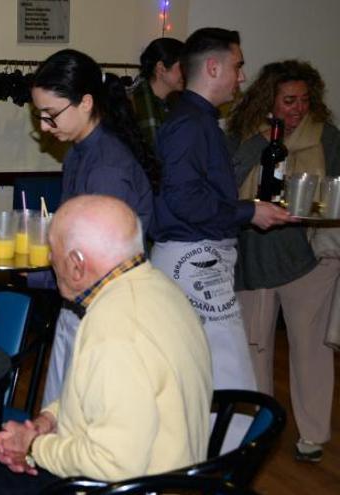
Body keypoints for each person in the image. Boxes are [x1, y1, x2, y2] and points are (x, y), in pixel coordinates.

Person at [0, 195, 212, 493]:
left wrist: (35, 447)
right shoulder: (159, 288)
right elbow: (101, 394)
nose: (49, 260)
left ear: (76, 264)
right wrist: (46, 422)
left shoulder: (115, 332)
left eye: (53, 251)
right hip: (167, 469)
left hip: (130, 485)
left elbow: (113, 464)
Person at [149, 28, 294, 450]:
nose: (242, 77)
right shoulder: (190, 125)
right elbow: (184, 200)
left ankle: (200, 460)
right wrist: (250, 210)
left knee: (209, 372)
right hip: (194, 261)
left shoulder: (196, 121)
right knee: (225, 374)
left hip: (197, 257)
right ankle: (220, 469)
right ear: (213, 67)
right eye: (237, 65)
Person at [27, 48, 158, 406]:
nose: (43, 126)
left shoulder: (106, 168)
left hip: (104, 310)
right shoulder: (80, 152)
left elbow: (97, 267)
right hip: (81, 305)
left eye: (51, 115)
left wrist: (29, 273)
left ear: (85, 103)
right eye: (39, 115)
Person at [227, 60, 340, 462]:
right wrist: (262, 141)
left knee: (310, 349)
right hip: (253, 255)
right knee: (254, 347)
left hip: (309, 258)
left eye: (304, 101)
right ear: (268, 100)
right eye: (288, 100)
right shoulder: (245, 135)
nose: (297, 109)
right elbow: (225, 184)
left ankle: (312, 436)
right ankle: (261, 427)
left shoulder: (327, 138)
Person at [130, 37, 185, 149]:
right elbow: (155, 151)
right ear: (161, 68)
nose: (186, 72)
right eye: (181, 67)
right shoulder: (139, 101)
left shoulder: (172, 102)